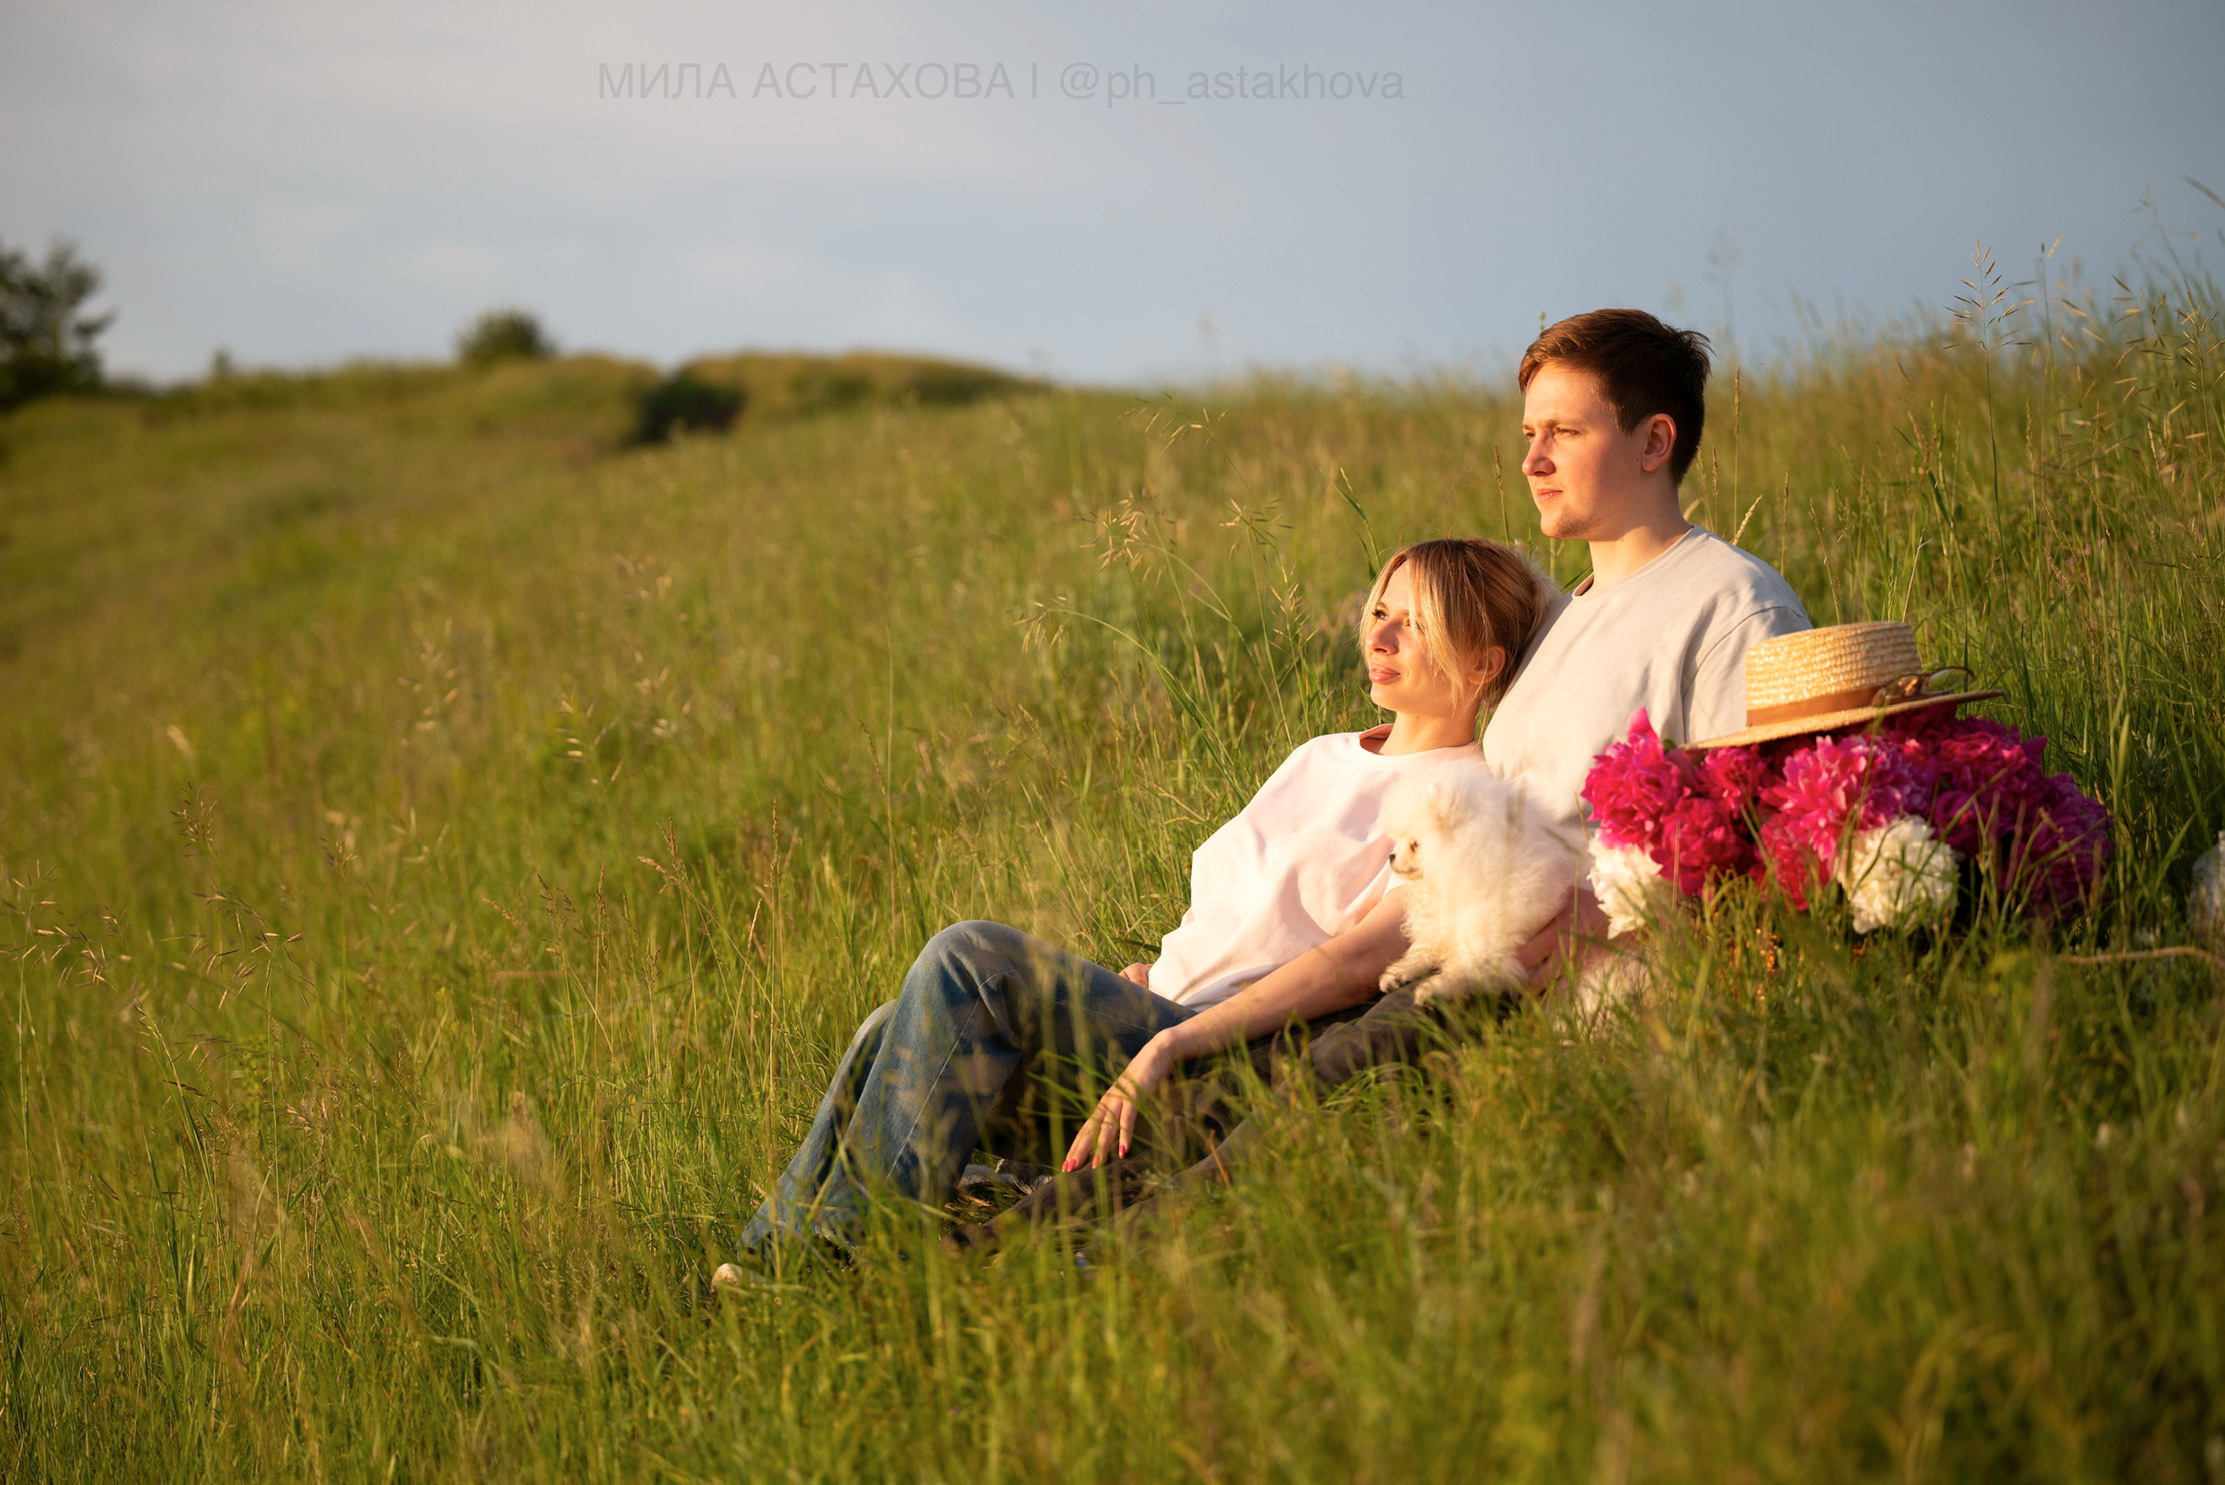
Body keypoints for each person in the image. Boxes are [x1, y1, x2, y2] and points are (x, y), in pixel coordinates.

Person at [968, 307, 1815, 1246]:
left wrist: (1594, 917)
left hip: (1559, 993)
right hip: (1445, 960)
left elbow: (1768, 838)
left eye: (1564, 432)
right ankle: (999, 1242)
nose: (1532, 459)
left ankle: (1069, 1260)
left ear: (1655, 440)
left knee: (1260, 1139)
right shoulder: (1564, 621)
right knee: (1230, 1108)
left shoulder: (1731, 603)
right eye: (1527, 434)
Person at [720, 538, 1556, 1269]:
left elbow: (1351, 966)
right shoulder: (1323, 753)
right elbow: (1237, 910)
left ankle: (841, 1252)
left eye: (1410, 623)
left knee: (971, 958)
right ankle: (779, 1264)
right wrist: (1148, 977)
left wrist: (1169, 1042)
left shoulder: (1464, 799)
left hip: (1218, 1054)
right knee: (887, 1024)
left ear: (1481, 661)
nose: (1377, 635)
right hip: (1157, 1009)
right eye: (1379, 610)